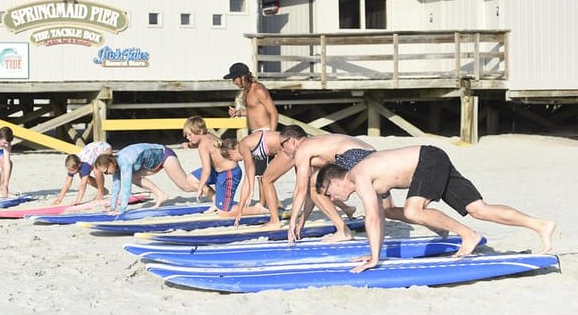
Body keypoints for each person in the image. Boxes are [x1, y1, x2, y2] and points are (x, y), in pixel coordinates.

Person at [316, 145, 557, 273]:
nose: (333, 198)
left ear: (335, 181)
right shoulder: (365, 177)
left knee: (412, 210)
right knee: (479, 209)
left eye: (329, 193)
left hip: (428, 159)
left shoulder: (358, 175)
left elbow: (372, 220)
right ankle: (541, 225)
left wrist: (375, 259)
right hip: (432, 160)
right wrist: (374, 253)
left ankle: (468, 234)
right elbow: (380, 214)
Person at [279, 125, 407, 243]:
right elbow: (313, 194)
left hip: (353, 155)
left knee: (314, 185)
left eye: (282, 145)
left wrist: (292, 222)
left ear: (292, 141)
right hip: (371, 154)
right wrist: (302, 221)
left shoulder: (303, 149)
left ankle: (343, 231)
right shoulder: (318, 147)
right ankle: (423, 216)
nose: (282, 150)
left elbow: (301, 188)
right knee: (389, 210)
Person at [183, 115, 267, 217]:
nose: (188, 138)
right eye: (186, 135)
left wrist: (200, 188)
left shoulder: (203, 146)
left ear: (200, 132)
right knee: (191, 179)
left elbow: (206, 170)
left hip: (229, 174)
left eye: (190, 135)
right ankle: (216, 201)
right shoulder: (209, 135)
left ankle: (256, 209)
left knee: (224, 213)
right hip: (217, 171)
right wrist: (190, 145)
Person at [224, 62, 279, 206]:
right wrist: (239, 112)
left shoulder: (258, 89)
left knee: (263, 175)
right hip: (255, 135)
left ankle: (263, 203)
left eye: (234, 78)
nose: (233, 82)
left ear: (242, 77)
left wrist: (271, 136)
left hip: (265, 134)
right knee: (259, 173)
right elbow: (255, 111)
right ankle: (270, 202)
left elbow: (273, 112)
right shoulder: (246, 91)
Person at [220, 130, 293, 228]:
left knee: (266, 180)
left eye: (231, 159)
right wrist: (240, 211)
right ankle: (278, 218)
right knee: (267, 180)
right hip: (289, 145)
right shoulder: (249, 149)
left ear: (231, 152)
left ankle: (275, 221)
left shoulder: (242, 146)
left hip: (286, 147)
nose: (235, 161)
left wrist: (251, 190)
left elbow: (250, 167)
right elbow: (246, 182)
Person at [94, 143, 195, 214]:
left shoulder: (125, 162)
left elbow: (126, 188)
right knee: (134, 177)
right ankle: (162, 195)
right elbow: (116, 186)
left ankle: (207, 189)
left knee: (186, 187)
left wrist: (122, 210)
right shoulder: (116, 164)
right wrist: (112, 207)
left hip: (165, 155)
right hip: (154, 163)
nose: (106, 174)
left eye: (105, 171)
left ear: (110, 163)